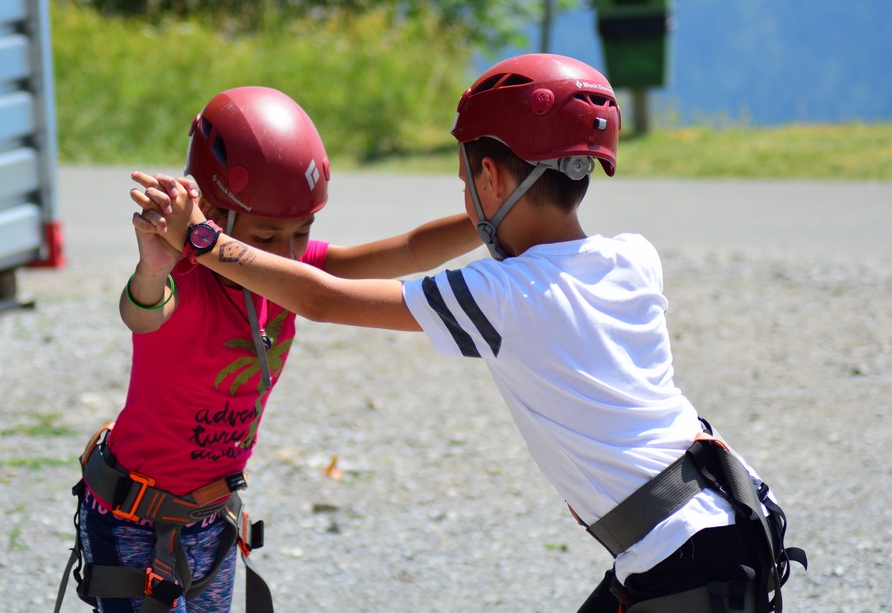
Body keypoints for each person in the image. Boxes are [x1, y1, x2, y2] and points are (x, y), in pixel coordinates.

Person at [131, 55, 806, 612]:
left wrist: (201, 239)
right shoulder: (632, 254)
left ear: (488, 175)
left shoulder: (508, 296)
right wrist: (492, 215)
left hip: (682, 562)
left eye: (467, 179)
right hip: (725, 521)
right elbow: (425, 245)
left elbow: (324, 298)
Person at [55, 85, 480, 613]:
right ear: (210, 213)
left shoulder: (294, 277)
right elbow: (142, 312)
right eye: (267, 235)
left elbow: (410, 250)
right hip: (132, 521)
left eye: (302, 232)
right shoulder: (183, 275)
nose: (288, 253)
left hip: (211, 519)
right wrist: (153, 266)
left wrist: (497, 218)